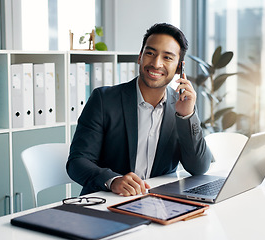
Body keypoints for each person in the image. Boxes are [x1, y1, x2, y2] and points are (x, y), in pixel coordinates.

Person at [66, 23, 213, 196]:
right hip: (108, 200)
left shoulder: (181, 106)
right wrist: (112, 180)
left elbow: (199, 167)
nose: (156, 64)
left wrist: (187, 115)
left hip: (159, 201)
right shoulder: (103, 100)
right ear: (140, 57)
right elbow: (77, 162)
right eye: (150, 53)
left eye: (167, 57)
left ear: (179, 68)